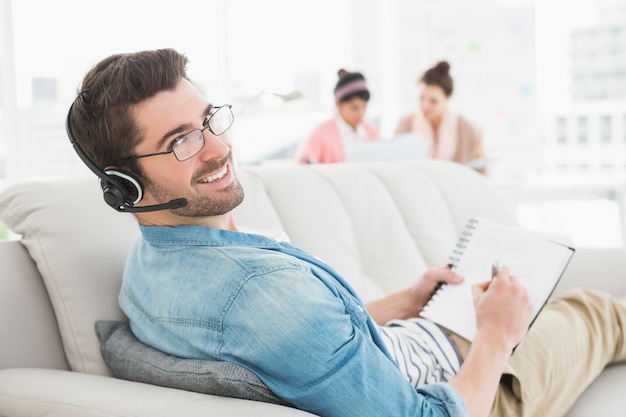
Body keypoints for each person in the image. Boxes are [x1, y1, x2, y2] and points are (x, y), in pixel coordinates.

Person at [66, 48, 626, 417]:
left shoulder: (150, 265)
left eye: (211, 120)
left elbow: (314, 342)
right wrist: (496, 337)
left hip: (419, 339)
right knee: (600, 310)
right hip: (465, 383)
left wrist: (402, 302)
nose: (219, 148)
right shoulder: (264, 296)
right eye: (182, 140)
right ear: (125, 185)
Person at [396, 61, 487, 173]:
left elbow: (482, 166)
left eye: (433, 101)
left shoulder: (467, 128)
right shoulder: (406, 124)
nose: (425, 105)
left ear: (447, 99)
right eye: (422, 98)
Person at [296, 69, 378, 164]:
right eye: (354, 108)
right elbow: (303, 165)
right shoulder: (319, 134)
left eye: (364, 107)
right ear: (338, 104)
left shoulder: (371, 131)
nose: (361, 113)